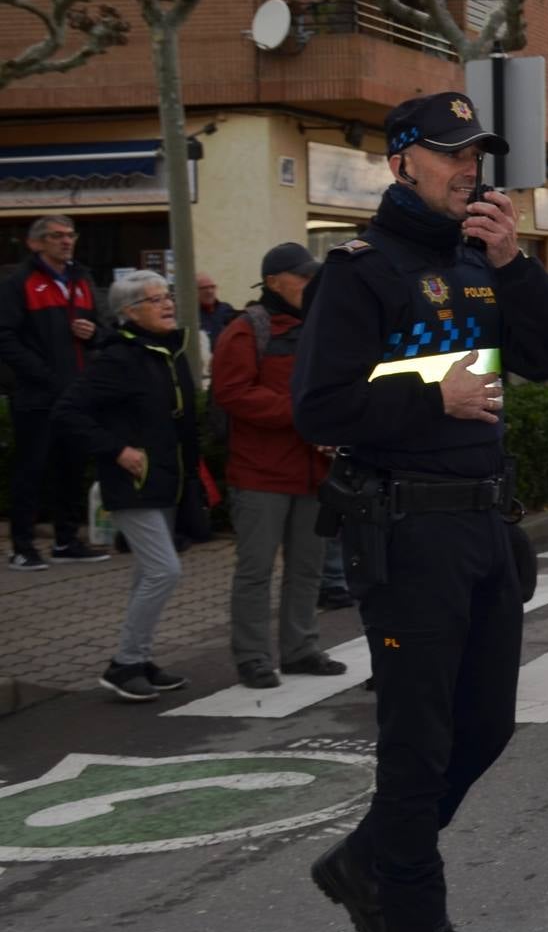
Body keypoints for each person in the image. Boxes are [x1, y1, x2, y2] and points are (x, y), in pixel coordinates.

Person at [293, 90, 548, 932]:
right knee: (416, 743)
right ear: (402, 161)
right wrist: (434, 398)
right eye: (453, 153)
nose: (470, 169)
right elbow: (321, 407)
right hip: (408, 531)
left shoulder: (482, 262)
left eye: (478, 155)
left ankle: (365, 861)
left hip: (485, 526)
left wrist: (517, 265)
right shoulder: (360, 269)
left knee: (485, 726)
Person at [52, 271, 197, 701]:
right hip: (132, 479)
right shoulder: (118, 358)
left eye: (167, 295)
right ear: (129, 313)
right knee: (163, 571)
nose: (167, 303)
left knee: (147, 573)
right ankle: (124, 665)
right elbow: (67, 412)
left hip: (166, 479)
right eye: (155, 300)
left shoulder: (166, 351)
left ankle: (139, 658)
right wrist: (118, 450)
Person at [214, 242, 344, 689]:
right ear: (273, 282)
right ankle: (252, 657)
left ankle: (300, 648)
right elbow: (231, 393)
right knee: (256, 571)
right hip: (261, 475)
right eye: (302, 277)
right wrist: (302, 412)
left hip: (311, 471)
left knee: (307, 567)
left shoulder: (318, 326)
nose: (311, 284)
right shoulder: (246, 330)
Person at [2, 213, 108, 570]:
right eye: (56, 236)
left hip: (77, 396)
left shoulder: (83, 280)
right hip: (37, 397)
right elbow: (5, 338)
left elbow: (103, 330)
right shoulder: (19, 283)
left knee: (72, 469)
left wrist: (93, 333)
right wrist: (45, 376)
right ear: (35, 243)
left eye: (70, 235)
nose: (66, 241)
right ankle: (22, 547)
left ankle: (66, 541)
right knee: (31, 472)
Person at [196, 272, 237, 343]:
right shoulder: (192, 316)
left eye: (212, 287)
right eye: (204, 288)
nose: (209, 291)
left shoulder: (226, 309)